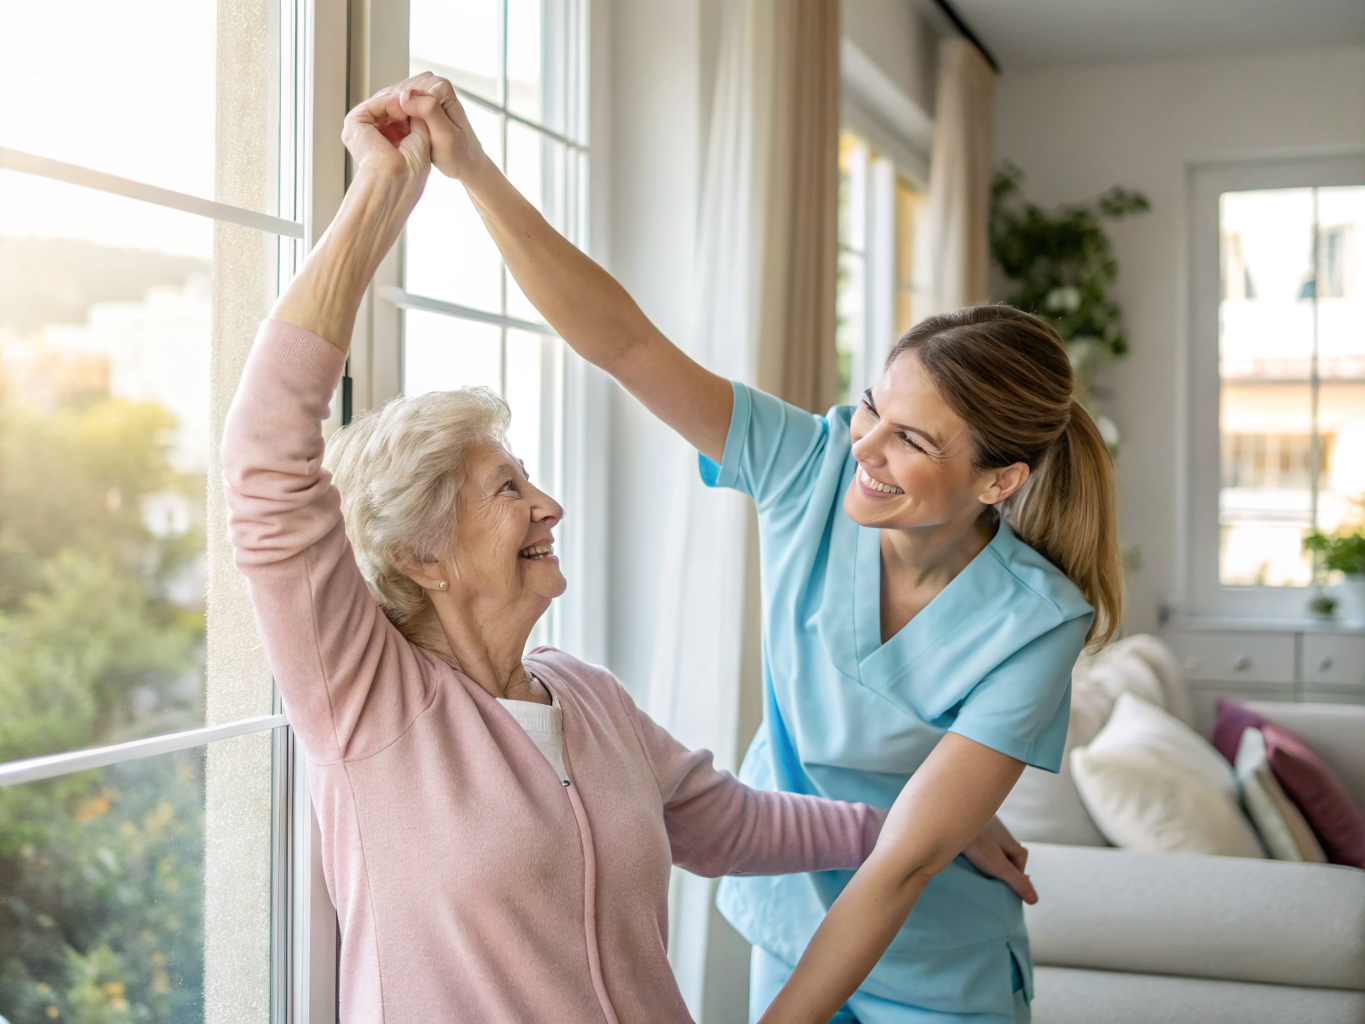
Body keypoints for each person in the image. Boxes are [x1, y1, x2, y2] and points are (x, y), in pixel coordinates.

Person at [221, 83, 1034, 1024]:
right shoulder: (372, 706)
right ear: (421, 556)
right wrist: (376, 197)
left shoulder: (586, 697)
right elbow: (265, 464)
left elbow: (731, 824)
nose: (549, 504)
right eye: (508, 490)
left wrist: (926, 831)